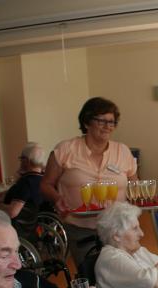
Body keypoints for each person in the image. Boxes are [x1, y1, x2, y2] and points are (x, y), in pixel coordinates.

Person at [40, 97, 138, 267]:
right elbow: (45, 185)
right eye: (101, 121)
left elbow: (135, 186)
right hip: (80, 229)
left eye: (112, 122)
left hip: (119, 229)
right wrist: (57, 199)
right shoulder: (65, 149)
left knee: (124, 272)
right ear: (86, 122)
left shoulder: (122, 151)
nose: (108, 126)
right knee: (92, 273)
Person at [0, 142, 48, 219]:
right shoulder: (44, 179)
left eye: (21, 158)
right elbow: (5, 194)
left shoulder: (26, 182)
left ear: (27, 160)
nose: (20, 162)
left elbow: (12, 212)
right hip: (39, 225)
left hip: (21, 227)